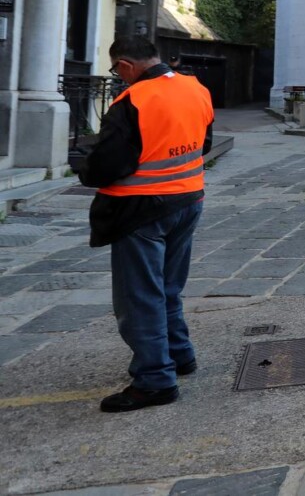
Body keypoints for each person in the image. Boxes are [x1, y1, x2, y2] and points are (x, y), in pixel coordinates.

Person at [78, 37, 214, 413]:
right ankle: (179, 354)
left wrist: (83, 166)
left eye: (116, 73)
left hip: (141, 209)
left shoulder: (132, 102)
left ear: (124, 66)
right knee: (169, 288)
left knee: (139, 297)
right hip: (189, 199)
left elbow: (104, 166)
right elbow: (204, 144)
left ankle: (155, 379)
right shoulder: (195, 88)